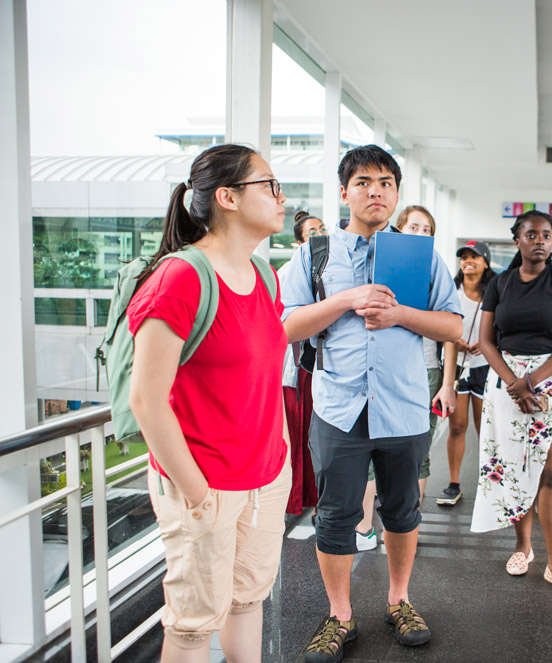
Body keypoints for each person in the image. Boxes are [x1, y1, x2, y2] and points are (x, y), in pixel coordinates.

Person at [281, 145, 462, 663]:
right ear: (344, 193)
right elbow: (286, 325)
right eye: (363, 182)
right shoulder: (313, 255)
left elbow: (455, 326)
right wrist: (345, 300)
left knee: (402, 509)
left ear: (397, 194)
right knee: (335, 515)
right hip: (338, 405)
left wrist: (400, 314)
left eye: (385, 182)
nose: (375, 190)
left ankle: (399, 599)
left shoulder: (420, 255)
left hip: (404, 404)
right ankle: (339, 615)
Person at [129, 144, 291, 662]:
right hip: (206, 482)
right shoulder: (182, 278)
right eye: (268, 184)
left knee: (247, 599)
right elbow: (146, 400)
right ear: (227, 197)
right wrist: (197, 494)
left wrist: (280, 455)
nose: (280, 196)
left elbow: (263, 374)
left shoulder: (264, 275)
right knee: (195, 622)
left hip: (265, 477)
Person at [470, 210, 552, 599]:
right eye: (531, 234)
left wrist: (531, 382)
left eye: (546, 235)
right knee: (517, 466)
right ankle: (523, 547)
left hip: (550, 381)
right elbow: (487, 340)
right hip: (506, 381)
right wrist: (513, 383)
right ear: (517, 239)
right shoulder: (500, 283)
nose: (540, 240)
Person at [353, 205, 447, 552]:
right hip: (384, 369)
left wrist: (447, 382)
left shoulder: (435, 268)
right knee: (371, 447)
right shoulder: (378, 264)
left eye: (427, 230)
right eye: (414, 227)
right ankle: (364, 526)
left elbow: (449, 331)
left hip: (426, 371)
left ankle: (408, 523)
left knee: (415, 450)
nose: (420, 235)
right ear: (398, 228)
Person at [434, 239, 496, 506]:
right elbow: (438, 323)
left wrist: (487, 341)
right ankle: (454, 482)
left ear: (485, 262)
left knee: (486, 428)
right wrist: (453, 337)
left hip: (485, 366)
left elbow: (502, 323)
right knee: (457, 426)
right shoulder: (451, 289)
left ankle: (489, 481)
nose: (468, 261)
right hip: (456, 366)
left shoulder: (494, 291)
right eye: (464, 257)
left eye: (475, 257)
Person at [280, 211, 326, 516]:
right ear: (299, 241)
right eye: (312, 232)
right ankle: (292, 500)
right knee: (295, 437)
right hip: (294, 369)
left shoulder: (325, 268)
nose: (319, 235)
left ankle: (314, 499)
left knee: (315, 437)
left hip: (317, 367)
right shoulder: (285, 272)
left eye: (322, 229)